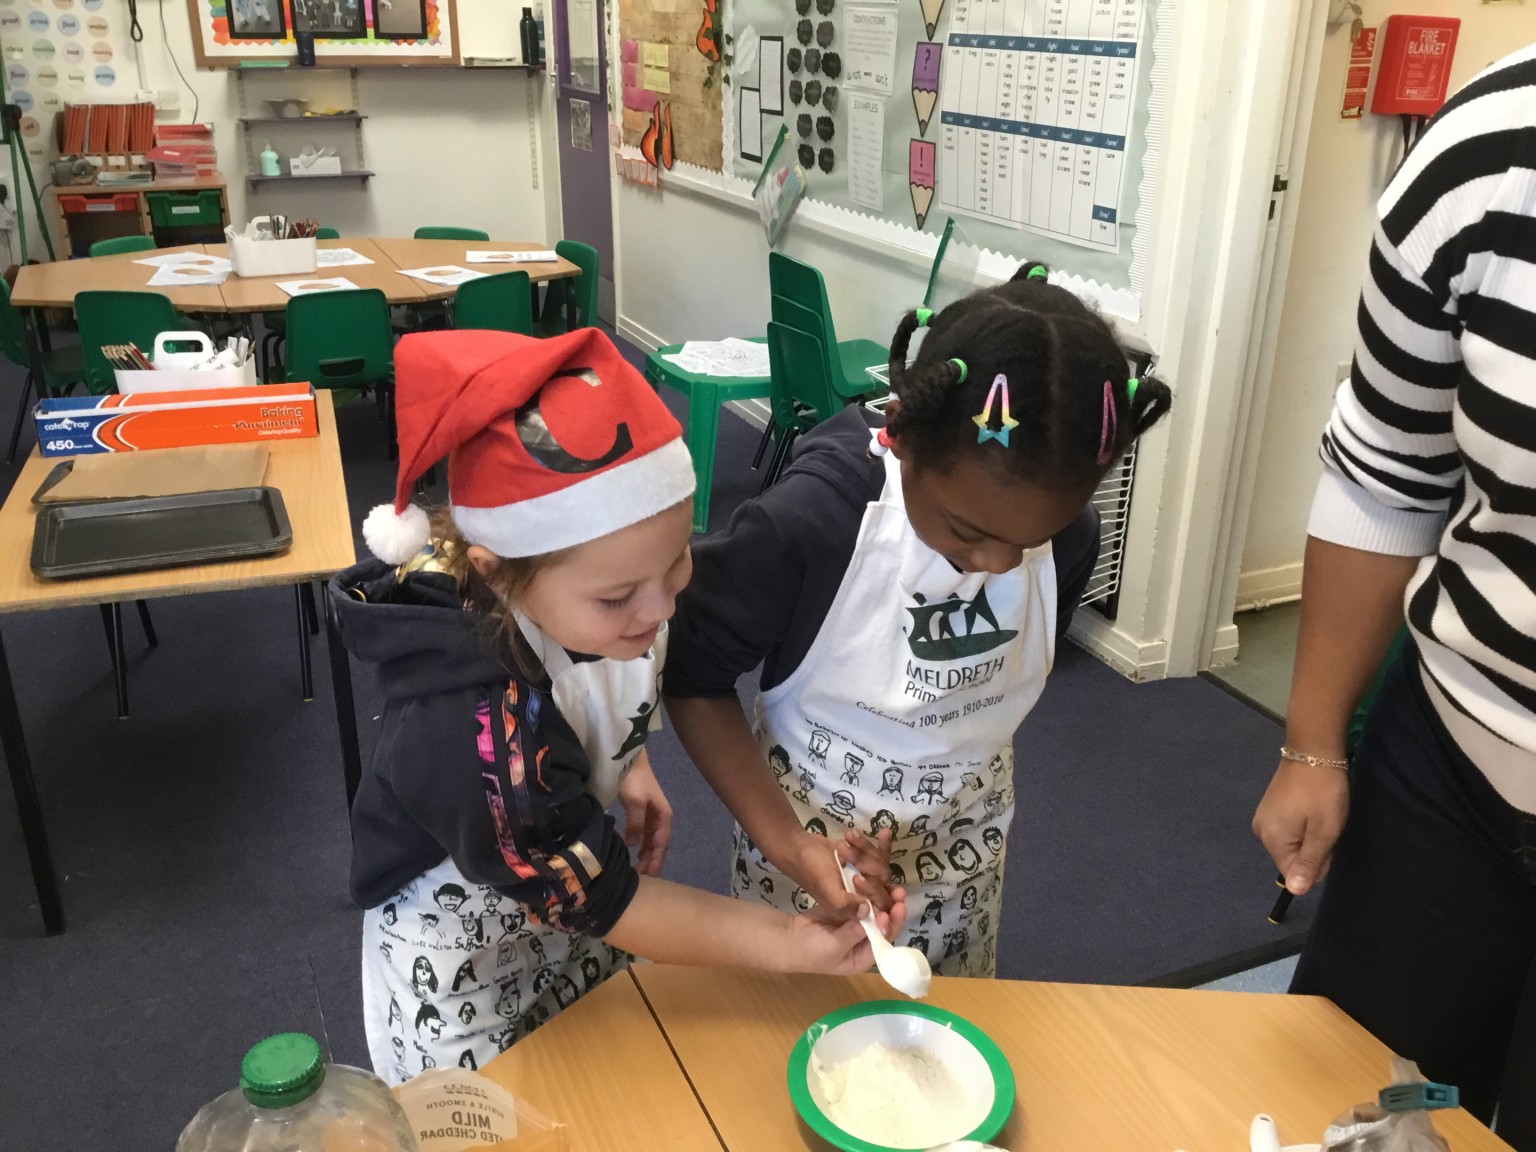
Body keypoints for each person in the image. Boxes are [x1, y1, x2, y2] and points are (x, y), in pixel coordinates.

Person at [331, 328, 904, 1084]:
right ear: (496, 574)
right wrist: (791, 944)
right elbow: (608, 900)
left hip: (564, 920)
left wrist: (621, 759)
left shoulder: (609, 591)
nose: (664, 606)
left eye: (677, 561)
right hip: (464, 964)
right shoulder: (473, 730)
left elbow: (605, 665)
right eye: (618, 597)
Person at [665, 263, 1172, 976]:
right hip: (805, 838)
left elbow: (992, 689)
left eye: (1028, 542)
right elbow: (691, 675)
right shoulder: (813, 522)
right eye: (967, 531)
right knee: (797, 1025)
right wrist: (790, 844)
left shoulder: (1075, 539)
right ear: (900, 437)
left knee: (941, 1009)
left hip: (961, 838)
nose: (997, 565)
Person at [1251, 45, 1536, 1150]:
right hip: (1451, 777)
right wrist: (1314, 744)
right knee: (1378, 1102)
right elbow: (1385, 468)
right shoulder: (1491, 144)